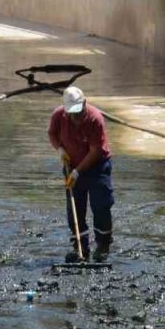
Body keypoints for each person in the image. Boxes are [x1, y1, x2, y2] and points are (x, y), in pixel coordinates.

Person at [48, 86, 114, 262]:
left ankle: (103, 246)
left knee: (101, 206)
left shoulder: (94, 119)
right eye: (73, 114)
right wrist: (60, 149)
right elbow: (52, 134)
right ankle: (81, 247)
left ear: (84, 103)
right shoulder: (58, 116)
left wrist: (78, 172)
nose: (77, 118)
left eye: (79, 112)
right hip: (72, 166)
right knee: (75, 209)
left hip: (97, 167)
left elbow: (95, 151)